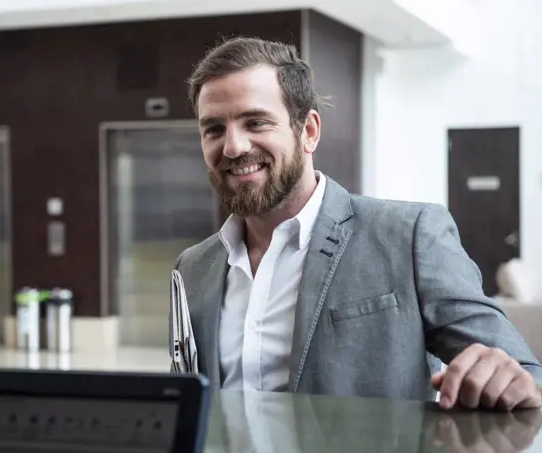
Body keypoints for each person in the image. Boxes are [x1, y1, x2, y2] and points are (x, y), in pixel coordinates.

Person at [170, 36, 542, 411]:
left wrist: (508, 379)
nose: (233, 147)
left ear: (309, 131)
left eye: (256, 122)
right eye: (214, 129)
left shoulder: (408, 236)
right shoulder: (193, 267)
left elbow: (527, 379)